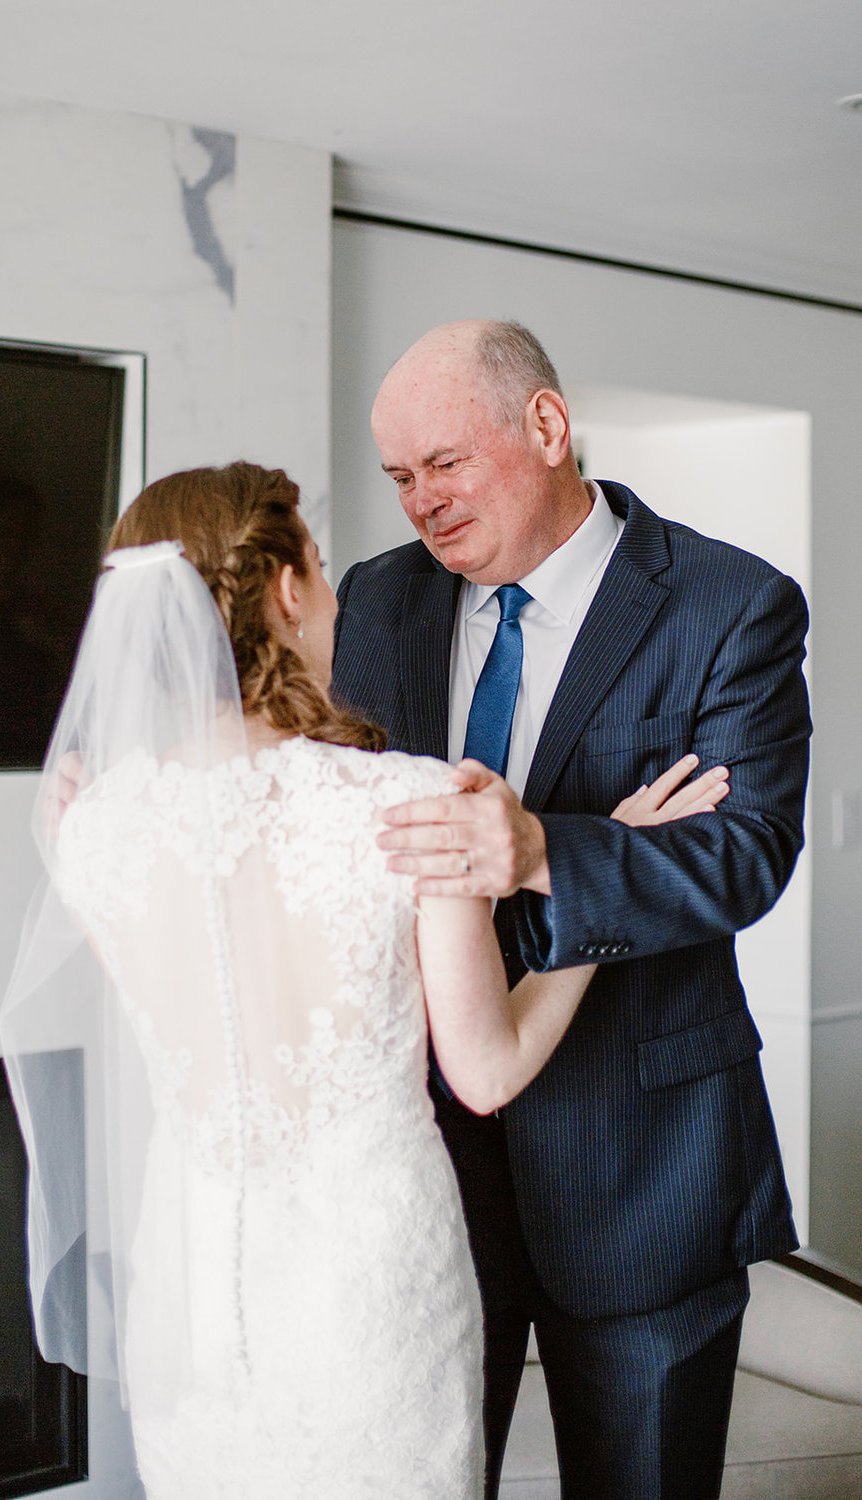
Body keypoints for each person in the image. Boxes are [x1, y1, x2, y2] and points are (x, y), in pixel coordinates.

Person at [1, 461, 727, 1500]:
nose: (339, 598)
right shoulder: (410, 804)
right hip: (366, 1278)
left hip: (196, 1279)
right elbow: (485, 1070)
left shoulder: (94, 830)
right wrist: (596, 884)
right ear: (287, 590)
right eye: (325, 568)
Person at [332, 319, 811, 1500]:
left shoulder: (728, 602)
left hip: (647, 1169)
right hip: (422, 1174)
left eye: (444, 463)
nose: (421, 506)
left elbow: (748, 855)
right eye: (398, 479)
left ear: (545, 426)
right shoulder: (376, 601)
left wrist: (548, 847)